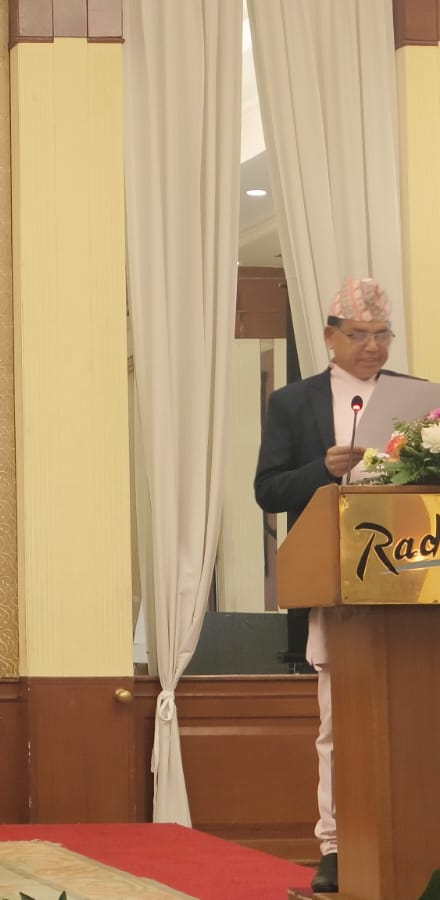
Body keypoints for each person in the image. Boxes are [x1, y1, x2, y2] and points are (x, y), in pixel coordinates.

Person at [253, 276, 404, 895]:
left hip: (409, 582)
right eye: (360, 335)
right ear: (330, 337)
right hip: (337, 586)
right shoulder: (295, 403)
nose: (373, 347)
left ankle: (413, 833)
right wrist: (323, 469)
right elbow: (268, 490)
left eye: (383, 334)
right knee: (337, 727)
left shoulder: (418, 398)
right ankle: (337, 845)